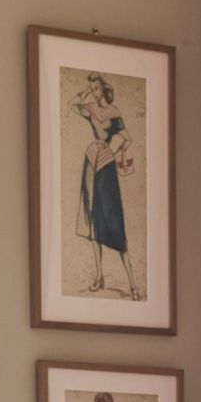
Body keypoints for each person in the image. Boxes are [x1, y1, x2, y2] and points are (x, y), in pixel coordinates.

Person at [73, 73, 141, 300]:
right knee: (93, 218)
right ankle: (100, 276)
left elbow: (128, 138)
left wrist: (116, 150)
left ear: (104, 88)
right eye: (91, 87)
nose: (93, 90)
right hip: (90, 162)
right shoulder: (90, 107)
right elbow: (72, 104)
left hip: (107, 165)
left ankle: (133, 285)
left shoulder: (114, 113)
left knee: (113, 220)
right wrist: (84, 93)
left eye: (96, 87)